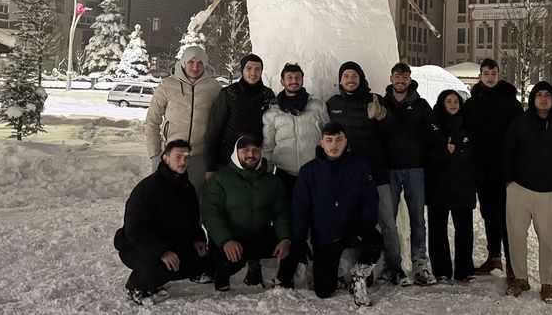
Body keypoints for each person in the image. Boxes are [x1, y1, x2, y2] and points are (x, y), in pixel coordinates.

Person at [502, 81, 552, 304]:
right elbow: (507, 151)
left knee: (547, 240)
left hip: (549, 193)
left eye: (548, 95)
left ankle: (547, 284)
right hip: (519, 189)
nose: (543, 99)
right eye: (539, 95)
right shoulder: (520, 122)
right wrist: (509, 181)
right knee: (516, 236)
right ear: (533, 99)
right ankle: (520, 278)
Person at [326, 61, 403, 284]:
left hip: (375, 172)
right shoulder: (333, 104)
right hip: (348, 176)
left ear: (361, 79)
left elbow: (392, 130)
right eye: (346, 76)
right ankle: (351, 268)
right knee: (351, 223)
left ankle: (394, 265)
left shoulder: (374, 99)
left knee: (387, 222)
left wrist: (383, 116)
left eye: (354, 76)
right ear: (340, 80)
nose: (350, 80)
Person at [291, 122, 383, 306]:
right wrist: (299, 240)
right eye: (329, 140)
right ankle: (336, 276)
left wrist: (367, 223)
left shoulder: (359, 166)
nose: (334, 145)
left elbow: (370, 197)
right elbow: (301, 208)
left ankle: (359, 276)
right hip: (326, 235)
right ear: (321, 142)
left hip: (353, 228)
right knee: (323, 291)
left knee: (375, 241)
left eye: (339, 139)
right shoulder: (309, 172)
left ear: (346, 141)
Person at [114, 140, 209, 305]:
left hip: (170, 243)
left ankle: (166, 273)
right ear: (165, 158)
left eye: (186, 157)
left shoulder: (187, 187)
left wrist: (198, 239)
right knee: (165, 266)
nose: (183, 161)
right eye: (178, 156)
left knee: (202, 259)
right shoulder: (148, 189)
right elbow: (135, 230)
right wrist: (162, 252)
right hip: (137, 246)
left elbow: (192, 220)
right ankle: (136, 285)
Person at [201, 134, 294, 291]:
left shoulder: (272, 181)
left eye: (255, 150)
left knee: (295, 245)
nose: (251, 154)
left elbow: (281, 212)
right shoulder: (220, 180)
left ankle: (283, 279)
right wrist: (226, 240)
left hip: (258, 235)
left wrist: (284, 238)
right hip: (232, 237)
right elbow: (211, 213)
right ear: (236, 154)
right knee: (226, 262)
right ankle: (221, 275)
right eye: (245, 150)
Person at [461, 58, 522, 279]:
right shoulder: (471, 103)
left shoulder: (510, 102)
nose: (489, 77)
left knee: (507, 217)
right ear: (480, 76)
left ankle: (514, 265)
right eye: (486, 73)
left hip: (505, 170)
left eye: (493, 73)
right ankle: (494, 257)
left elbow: (520, 134)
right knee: (489, 214)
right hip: (482, 169)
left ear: (499, 75)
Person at [382, 62, 439, 286]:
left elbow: (433, 131)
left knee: (417, 218)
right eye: (397, 76)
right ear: (391, 78)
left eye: (404, 76)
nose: (401, 80)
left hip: (415, 167)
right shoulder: (383, 103)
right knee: (388, 219)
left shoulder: (420, 104)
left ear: (410, 79)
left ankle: (420, 263)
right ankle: (391, 263)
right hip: (390, 168)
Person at [144, 46, 221, 205]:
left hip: (199, 156)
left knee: (194, 202)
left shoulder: (214, 88)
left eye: (199, 63)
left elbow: (220, 122)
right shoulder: (167, 85)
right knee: (166, 201)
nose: (195, 67)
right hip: (171, 155)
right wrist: (154, 154)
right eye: (191, 62)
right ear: (184, 62)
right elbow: (152, 121)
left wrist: (214, 159)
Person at [427, 89, 476, 283]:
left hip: (463, 183)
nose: (453, 104)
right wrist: (444, 150)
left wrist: (457, 151)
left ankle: (464, 269)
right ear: (442, 103)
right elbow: (427, 153)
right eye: (449, 101)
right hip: (439, 184)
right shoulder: (434, 126)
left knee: (464, 229)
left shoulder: (468, 124)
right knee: (438, 228)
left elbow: (473, 152)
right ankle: (441, 270)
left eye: (456, 101)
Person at [262, 62, 329, 198]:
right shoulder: (273, 113)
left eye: (298, 77)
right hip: (284, 175)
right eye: (289, 77)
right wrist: (266, 175)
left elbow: (328, 137)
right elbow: (268, 147)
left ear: (302, 80)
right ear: (282, 81)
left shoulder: (318, 107)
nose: (294, 81)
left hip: (314, 172)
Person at [205, 54, 275, 176]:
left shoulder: (267, 95)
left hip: (255, 160)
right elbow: (214, 130)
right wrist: (210, 167)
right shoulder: (229, 93)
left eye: (257, 69)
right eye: (249, 68)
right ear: (242, 70)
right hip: (228, 161)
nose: (253, 73)